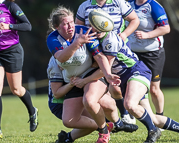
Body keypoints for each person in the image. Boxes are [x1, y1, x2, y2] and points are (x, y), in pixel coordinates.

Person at [46, 6, 138, 143]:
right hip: (74, 80)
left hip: (91, 74)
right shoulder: (53, 39)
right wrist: (78, 43)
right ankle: (111, 125)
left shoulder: (83, 31)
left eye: (71, 22)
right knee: (68, 120)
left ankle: (105, 132)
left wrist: (107, 75)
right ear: (57, 27)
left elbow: (99, 56)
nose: (70, 26)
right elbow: (61, 57)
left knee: (92, 101)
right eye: (65, 24)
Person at [90, 23, 179, 142]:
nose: (97, 28)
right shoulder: (94, 40)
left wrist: (84, 80)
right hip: (125, 79)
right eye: (94, 25)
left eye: (100, 25)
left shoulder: (110, 40)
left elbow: (105, 68)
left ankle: (153, 130)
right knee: (152, 118)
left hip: (135, 71)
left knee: (130, 105)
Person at [75, 0, 140, 124]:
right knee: (104, 83)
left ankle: (126, 112)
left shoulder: (118, 2)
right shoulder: (84, 6)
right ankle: (112, 118)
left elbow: (134, 19)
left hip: (116, 50)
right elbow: (78, 29)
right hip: (95, 51)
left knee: (115, 86)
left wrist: (124, 34)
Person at [0, 0, 38, 139]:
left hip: (12, 51)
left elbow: (27, 26)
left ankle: (32, 111)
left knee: (16, 89)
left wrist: (9, 26)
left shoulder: (10, 6)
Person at [125, 0, 170, 118]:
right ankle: (135, 116)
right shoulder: (128, 4)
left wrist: (147, 35)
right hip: (133, 53)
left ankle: (160, 117)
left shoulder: (154, 6)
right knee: (132, 85)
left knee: (154, 89)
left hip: (152, 54)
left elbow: (166, 28)